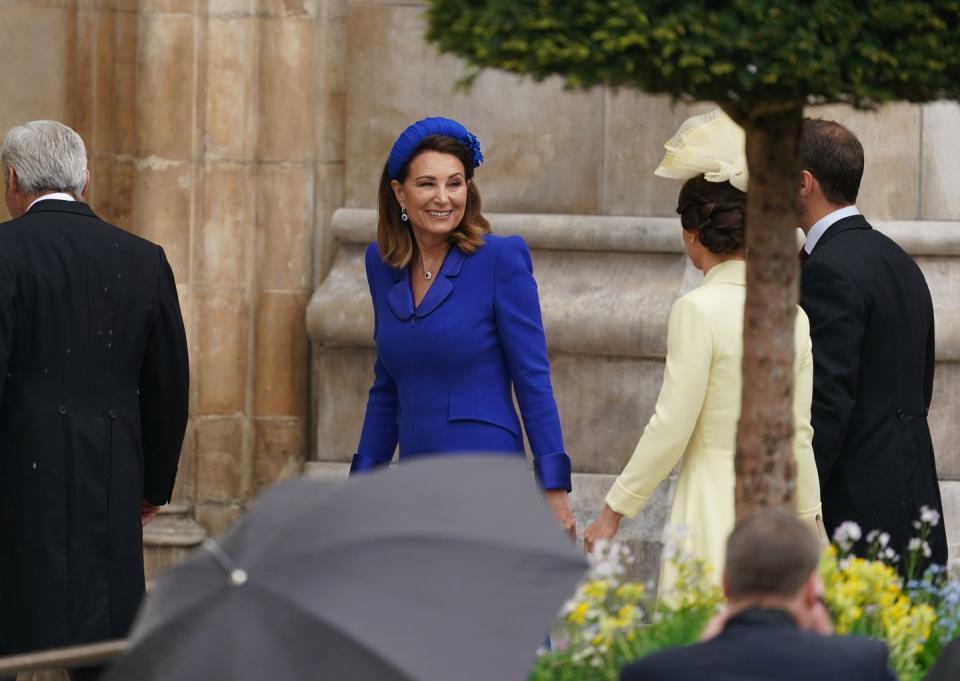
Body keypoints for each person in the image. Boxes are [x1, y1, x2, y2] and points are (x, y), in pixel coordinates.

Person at [584, 110, 822, 589]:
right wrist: (813, 521)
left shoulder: (696, 310)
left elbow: (671, 425)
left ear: (693, 235)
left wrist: (614, 509)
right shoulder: (792, 316)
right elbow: (799, 434)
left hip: (715, 505)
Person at [0, 121, 189, 677]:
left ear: (11, 181)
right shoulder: (144, 259)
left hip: (17, 483)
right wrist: (154, 485)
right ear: (87, 180)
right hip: (110, 481)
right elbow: (168, 386)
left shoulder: (3, 252)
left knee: (16, 638)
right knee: (105, 648)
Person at [350, 116, 575, 538]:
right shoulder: (380, 265)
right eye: (427, 184)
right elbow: (387, 384)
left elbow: (532, 378)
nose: (443, 198)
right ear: (399, 192)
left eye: (455, 183)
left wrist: (553, 485)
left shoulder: (500, 259)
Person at [798, 118, 946, 568]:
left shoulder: (826, 270)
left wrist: (798, 503)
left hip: (856, 503)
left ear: (803, 183)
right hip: (914, 488)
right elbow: (920, 387)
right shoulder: (900, 261)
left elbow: (826, 402)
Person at [620, 509, 897, 681]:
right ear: (811, 590)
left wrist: (700, 652)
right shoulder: (863, 664)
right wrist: (832, 645)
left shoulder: (652, 673)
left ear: (726, 584)